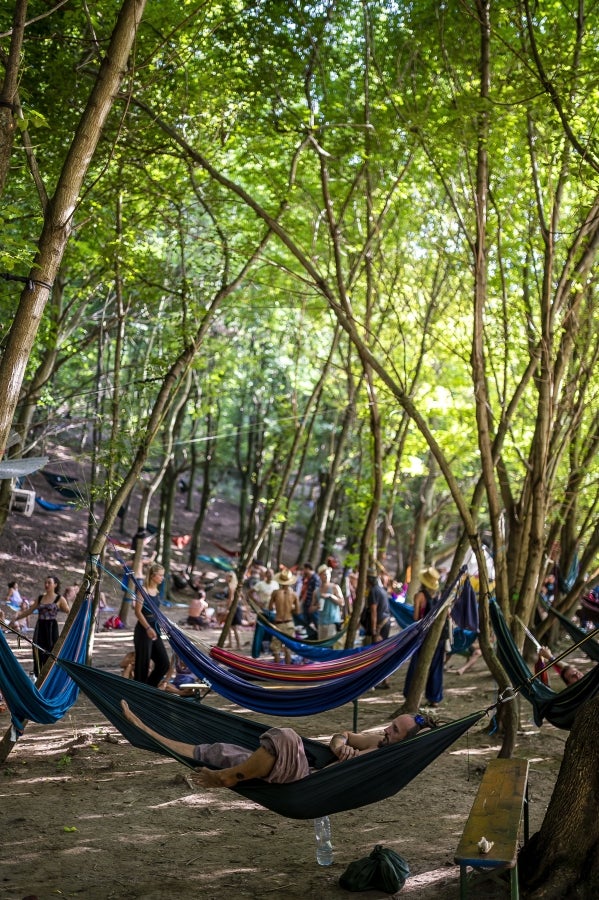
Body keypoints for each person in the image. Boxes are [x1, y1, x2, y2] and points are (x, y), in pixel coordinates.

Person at [120, 700, 436, 788]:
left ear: (404, 741)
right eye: (391, 724)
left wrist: (350, 762)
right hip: (302, 769)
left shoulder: (387, 761)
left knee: (285, 736)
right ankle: (151, 733)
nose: (387, 729)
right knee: (222, 751)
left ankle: (227, 778)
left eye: (394, 730)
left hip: (310, 786)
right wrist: (340, 746)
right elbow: (341, 734)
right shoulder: (378, 740)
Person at [403, 566, 446, 706]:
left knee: (416, 665)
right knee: (436, 666)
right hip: (438, 635)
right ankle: (434, 698)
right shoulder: (439, 596)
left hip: (422, 635)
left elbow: (416, 617)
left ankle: (411, 695)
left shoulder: (419, 596)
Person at [9, 575, 70, 676]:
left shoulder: (60, 599)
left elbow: (69, 612)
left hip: (51, 628)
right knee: (37, 649)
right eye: (45, 582)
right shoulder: (40, 598)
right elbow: (29, 611)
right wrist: (15, 618)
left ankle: (51, 674)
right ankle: (38, 675)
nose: (46, 585)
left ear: (55, 584)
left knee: (51, 650)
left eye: (49, 582)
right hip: (40, 626)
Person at [133, 562, 170, 687]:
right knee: (143, 664)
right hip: (144, 629)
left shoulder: (157, 591)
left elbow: (157, 612)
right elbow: (137, 612)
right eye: (160, 575)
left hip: (155, 628)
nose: (162, 578)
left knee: (163, 663)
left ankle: (149, 687)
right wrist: (148, 627)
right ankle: (140, 691)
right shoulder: (143, 590)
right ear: (153, 576)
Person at [361, 567, 393, 689]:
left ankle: (375, 682)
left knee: (378, 654)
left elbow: (374, 611)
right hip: (385, 622)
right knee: (383, 653)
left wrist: (374, 629)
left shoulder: (373, 591)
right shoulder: (381, 590)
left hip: (380, 625)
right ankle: (386, 680)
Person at [268, 569, 299, 664]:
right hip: (289, 623)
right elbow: (297, 612)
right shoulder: (294, 594)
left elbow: (269, 608)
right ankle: (287, 673)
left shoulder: (275, 593)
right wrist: (290, 608)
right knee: (288, 649)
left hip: (278, 624)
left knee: (276, 650)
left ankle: (277, 673)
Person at [316, 565, 345, 641]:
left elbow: (342, 602)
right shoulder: (317, 591)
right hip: (321, 622)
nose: (326, 576)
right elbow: (311, 608)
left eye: (328, 574)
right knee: (321, 646)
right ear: (320, 575)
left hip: (332, 622)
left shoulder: (335, 587)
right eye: (324, 574)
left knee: (330, 645)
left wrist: (331, 596)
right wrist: (316, 607)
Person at [299, 562, 320, 640]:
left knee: (316, 622)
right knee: (306, 623)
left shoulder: (315, 578)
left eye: (304, 569)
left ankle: (319, 638)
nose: (303, 571)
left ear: (308, 569)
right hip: (306, 605)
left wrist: (313, 605)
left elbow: (316, 593)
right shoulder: (309, 578)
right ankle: (311, 638)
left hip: (312, 607)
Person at [223, 571, 243, 650]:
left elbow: (230, 599)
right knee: (229, 626)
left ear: (231, 577)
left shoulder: (231, 586)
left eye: (227, 576)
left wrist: (227, 609)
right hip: (236, 607)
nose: (226, 578)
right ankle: (230, 643)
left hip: (234, 608)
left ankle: (238, 645)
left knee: (234, 627)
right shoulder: (236, 586)